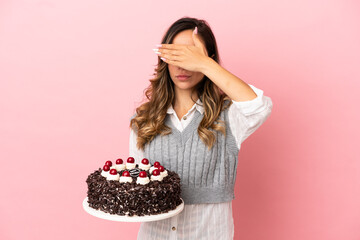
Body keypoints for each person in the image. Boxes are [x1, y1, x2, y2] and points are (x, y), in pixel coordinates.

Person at [129, 17, 273, 240]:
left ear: (209, 60)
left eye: (191, 55)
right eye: (175, 54)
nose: (182, 65)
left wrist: (205, 65)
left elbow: (258, 107)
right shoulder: (143, 120)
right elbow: (135, 177)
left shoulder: (228, 115)